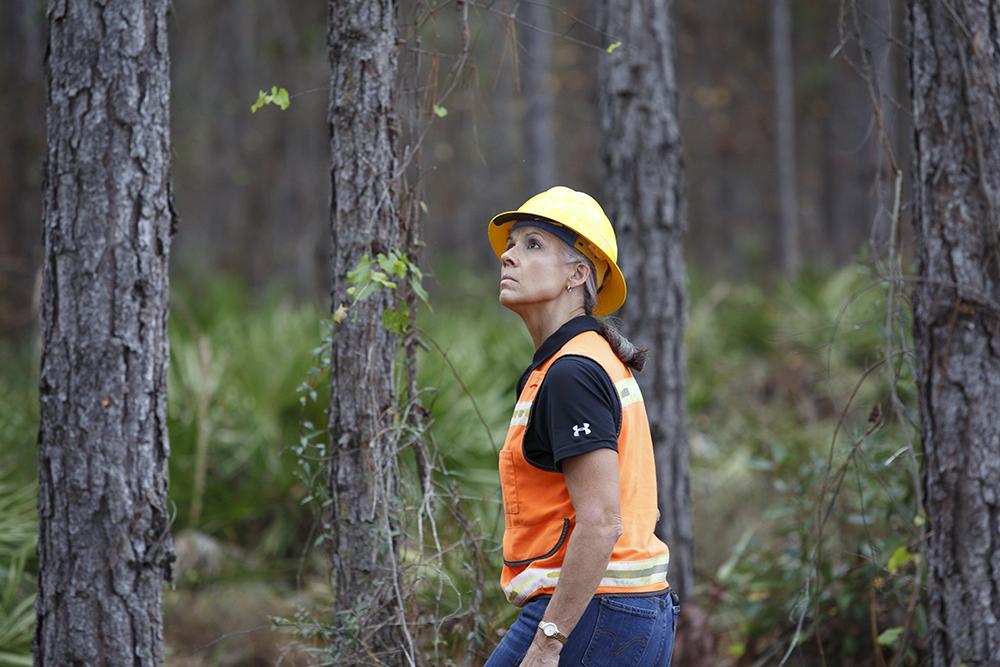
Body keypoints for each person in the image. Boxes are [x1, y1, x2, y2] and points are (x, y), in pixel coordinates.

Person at [483, 186, 680, 667]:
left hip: (595, 612)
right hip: (621, 611)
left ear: (577, 275)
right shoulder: (578, 363)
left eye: (532, 245)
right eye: (511, 244)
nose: (508, 256)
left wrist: (549, 641)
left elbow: (601, 521)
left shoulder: (572, 371)